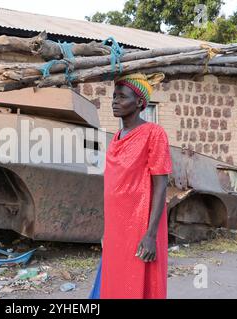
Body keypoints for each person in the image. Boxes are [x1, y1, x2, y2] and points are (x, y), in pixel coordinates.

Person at [90, 73, 172, 299]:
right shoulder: (117, 136)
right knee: (116, 280)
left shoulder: (154, 133)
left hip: (141, 224)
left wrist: (151, 235)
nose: (115, 101)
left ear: (139, 103)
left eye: (122, 97)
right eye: (114, 96)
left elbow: (161, 184)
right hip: (117, 226)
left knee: (140, 281)